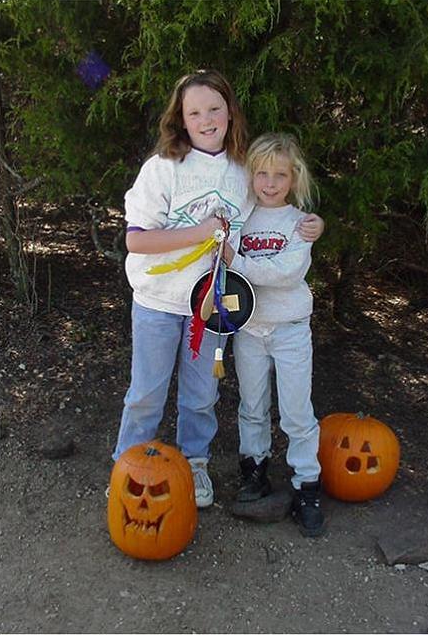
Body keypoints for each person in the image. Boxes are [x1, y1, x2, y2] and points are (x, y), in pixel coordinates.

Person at [113, 70, 324, 509]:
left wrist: (312, 225)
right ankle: (126, 468)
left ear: (230, 111)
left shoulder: (242, 170)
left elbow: (274, 204)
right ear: (182, 120)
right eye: (194, 112)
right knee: (147, 394)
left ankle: (195, 464)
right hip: (157, 301)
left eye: (214, 108)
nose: (206, 119)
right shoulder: (163, 168)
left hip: (210, 306)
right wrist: (200, 232)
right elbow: (136, 240)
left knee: (201, 393)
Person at [222, 133, 324, 537]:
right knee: (252, 403)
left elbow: (287, 274)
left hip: (290, 328)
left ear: (293, 178)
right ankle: (254, 470)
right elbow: (221, 258)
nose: (268, 183)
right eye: (261, 173)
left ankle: (307, 485)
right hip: (248, 327)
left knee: (297, 410)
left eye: (279, 175)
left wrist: (239, 261)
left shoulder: (299, 224)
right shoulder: (239, 218)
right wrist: (231, 256)